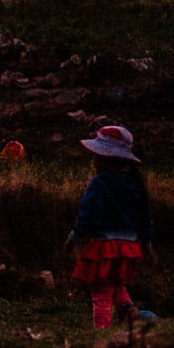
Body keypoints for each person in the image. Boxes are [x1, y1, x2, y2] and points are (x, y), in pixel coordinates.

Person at [65, 125, 156, 329]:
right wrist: (146, 242)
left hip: (105, 245)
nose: (93, 160)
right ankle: (132, 314)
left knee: (101, 290)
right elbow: (145, 216)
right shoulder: (134, 184)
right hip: (130, 246)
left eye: (96, 156)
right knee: (116, 283)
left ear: (103, 159)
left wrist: (75, 237)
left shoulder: (99, 184)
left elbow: (89, 214)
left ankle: (102, 331)